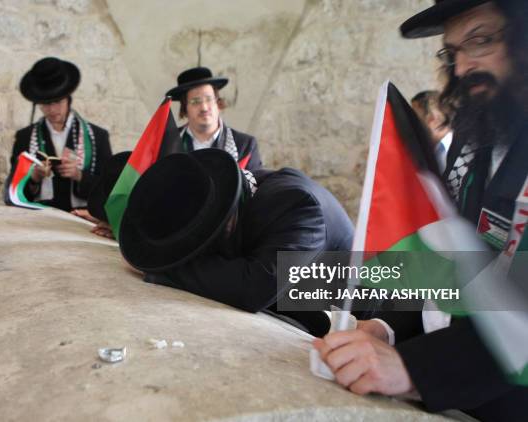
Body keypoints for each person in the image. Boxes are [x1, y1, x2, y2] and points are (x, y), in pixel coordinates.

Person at [313, 1, 528, 420]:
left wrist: (414, 369)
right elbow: (447, 259)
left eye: (481, 40)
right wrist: (387, 329)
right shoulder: (475, 136)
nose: (463, 67)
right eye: (452, 52)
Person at [119, 149, 354, 336]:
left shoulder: (298, 205)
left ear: (226, 222)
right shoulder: (247, 191)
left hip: (368, 315)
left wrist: (167, 267)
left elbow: (255, 287)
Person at [11, 57, 112, 212]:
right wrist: (34, 178)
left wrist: (79, 175)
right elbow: (13, 188)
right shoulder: (25, 137)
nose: (52, 109)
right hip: (39, 219)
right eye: (45, 104)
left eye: (57, 101)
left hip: (81, 219)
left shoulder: (98, 137)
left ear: (68, 99)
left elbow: (108, 187)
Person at [166, 67, 262, 172]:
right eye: (195, 101)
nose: (204, 107)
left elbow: (256, 185)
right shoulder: (167, 143)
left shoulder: (244, 146)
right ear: (184, 108)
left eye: (209, 99)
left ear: (218, 102)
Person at [411, 90, 453, 172]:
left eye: (416, 119)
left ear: (432, 119)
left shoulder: (458, 154)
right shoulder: (429, 148)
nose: (412, 124)